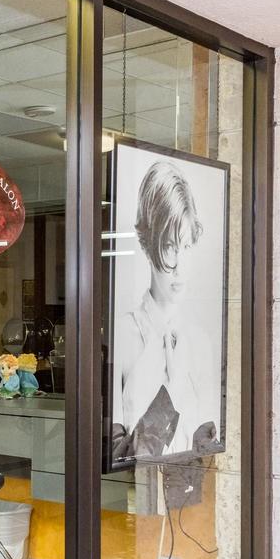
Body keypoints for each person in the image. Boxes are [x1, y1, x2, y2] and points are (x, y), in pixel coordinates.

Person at [112, 159, 217, 461]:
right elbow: (120, 455)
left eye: (186, 246)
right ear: (148, 247)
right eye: (170, 247)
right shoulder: (123, 336)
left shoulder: (199, 342)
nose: (179, 267)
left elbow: (208, 451)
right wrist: (169, 393)